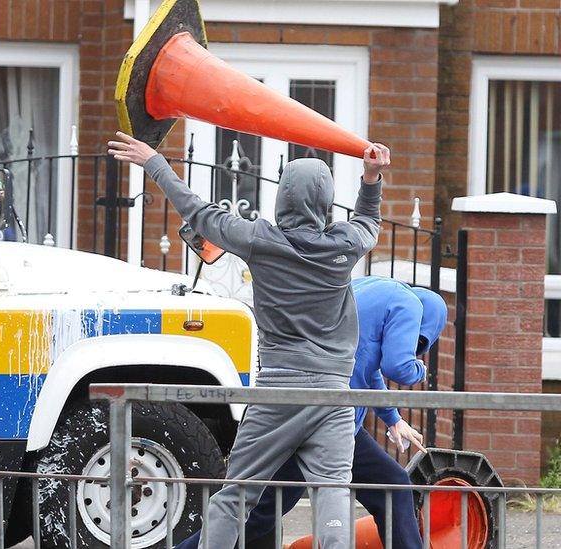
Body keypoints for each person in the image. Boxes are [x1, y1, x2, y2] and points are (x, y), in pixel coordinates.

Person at [108, 132, 389, 549]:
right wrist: (371, 180)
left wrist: (155, 163)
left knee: (236, 493)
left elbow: (197, 212)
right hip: (333, 395)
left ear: (283, 199)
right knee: (332, 491)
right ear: (326, 203)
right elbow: (369, 223)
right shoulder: (343, 245)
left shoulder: (260, 240)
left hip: (278, 390)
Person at [177, 277, 448, 549]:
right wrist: (420, 370)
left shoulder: (375, 289)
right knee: (262, 512)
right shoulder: (410, 305)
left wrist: (393, 419)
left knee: (393, 487)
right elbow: (397, 366)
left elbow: (368, 369)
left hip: (327, 417)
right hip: (324, 423)